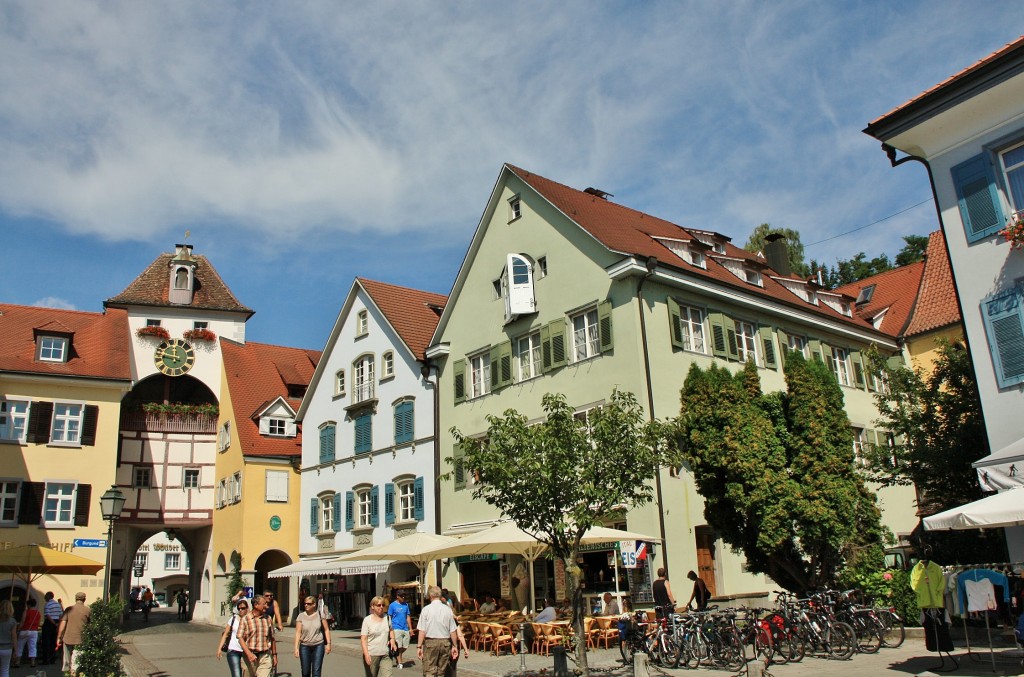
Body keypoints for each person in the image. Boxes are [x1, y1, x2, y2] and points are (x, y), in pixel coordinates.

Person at [416, 586, 458, 677]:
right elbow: (453, 630)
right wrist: (455, 645)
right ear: (440, 595)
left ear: (430, 596)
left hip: (431, 642)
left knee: (429, 671)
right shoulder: (447, 610)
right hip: (445, 643)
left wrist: (419, 646)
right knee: (441, 672)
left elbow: (422, 630)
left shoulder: (426, 610)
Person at [237, 593, 277, 677]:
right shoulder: (245, 619)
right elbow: (240, 638)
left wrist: (274, 655)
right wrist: (249, 654)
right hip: (249, 657)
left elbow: (272, 638)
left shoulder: (268, 618)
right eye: (264, 604)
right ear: (256, 605)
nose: (267, 606)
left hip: (265, 656)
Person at [294, 596, 331, 677]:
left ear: (314, 604)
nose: (306, 605)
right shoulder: (301, 616)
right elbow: (298, 633)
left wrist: (328, 644)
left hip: (318, 645)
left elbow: (326, 629)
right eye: (305, 603)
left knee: (316, 673)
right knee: (305, 672)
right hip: (304, 646)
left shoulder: (320, 615)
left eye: (309, 604)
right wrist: (296, 647)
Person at [57, 592, 91, 676]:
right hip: (81, 638)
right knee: (78, 659)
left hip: (68, 637)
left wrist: (59, 637)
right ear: (84, 599)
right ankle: (75, 673)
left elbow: (62, 624)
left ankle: (66, 673)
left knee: (66, 659)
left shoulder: (69, 609)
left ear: (75, 599)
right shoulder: (88, 610)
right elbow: (91, 625)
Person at [360, 596, 395, 677]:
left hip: (385, 654)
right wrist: (366, 654)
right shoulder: (367, 620)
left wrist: (392, 639)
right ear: (373, 606)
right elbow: (363, 639)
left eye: (383, 605)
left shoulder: (387, 618)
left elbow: (391, 630)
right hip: (372, 654)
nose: (381, 607)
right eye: (379, 605)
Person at [216, 599, 249, 677]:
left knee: (247, 674)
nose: (240, 610)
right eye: (239, 609)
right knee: (237, 675)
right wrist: (219, 649)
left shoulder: (250, 619)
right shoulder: (233, 619)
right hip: (233, 651)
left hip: (247, 651)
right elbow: (225, 634)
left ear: (247, 608)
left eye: (243, 608)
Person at [387, 589, 411, 668]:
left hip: (405, 628)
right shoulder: (392, 605)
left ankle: (396, 655)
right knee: (399, 646)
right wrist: (390, 627)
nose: (403, 597)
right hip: (396, 627)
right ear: (397, 596)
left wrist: (410, 628)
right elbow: (389, 616)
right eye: (401, 596)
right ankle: (400, 663)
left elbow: (408, 616)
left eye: (404, 596)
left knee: (405, 646)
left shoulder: (406, 605)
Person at [14, 598, 41, 667]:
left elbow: (22, 621)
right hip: (34, 631)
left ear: (29, 605)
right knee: (33, 647)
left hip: (25, 630)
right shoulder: (38, 613)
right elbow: (38, 623)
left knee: (20, 646)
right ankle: (32, 662)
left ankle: (17, 662)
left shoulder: (26, 611)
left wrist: (18, 629)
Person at [41, 593, 61, 665]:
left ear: (48, 596)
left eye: (45, 596)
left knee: (46, 642)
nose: (44, 597)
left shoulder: (47, 604)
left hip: (49, 623)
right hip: (56, 622)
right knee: (53, 642)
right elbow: (60, 614)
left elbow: (48, 615)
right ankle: (52, 659)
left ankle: (46, 660)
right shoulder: (58, 605)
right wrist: (57, 624)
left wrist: (53, 623)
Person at [0, 601, 16, 677]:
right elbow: (14, 636)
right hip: (7, 648)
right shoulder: (12, 621)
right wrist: (16, 650)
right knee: (5, 670)